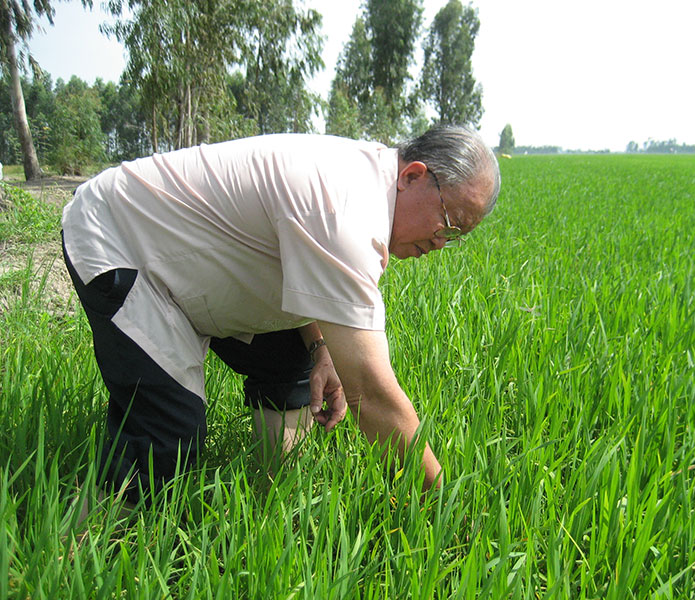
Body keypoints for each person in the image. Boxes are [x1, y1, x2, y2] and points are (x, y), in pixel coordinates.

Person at [61, 125, 500, 507]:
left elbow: (306, 276)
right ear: (413, 175)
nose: (442, 242)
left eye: (458, 236)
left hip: (197, 261)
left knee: (294, 355)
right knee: (165, 435)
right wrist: (446, 512)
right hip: (122, 238)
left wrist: (321, 346)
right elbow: (371, 391)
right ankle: (69, 548)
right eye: (449, 220)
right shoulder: (345, 206)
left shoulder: (364, 183)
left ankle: (272, 500)